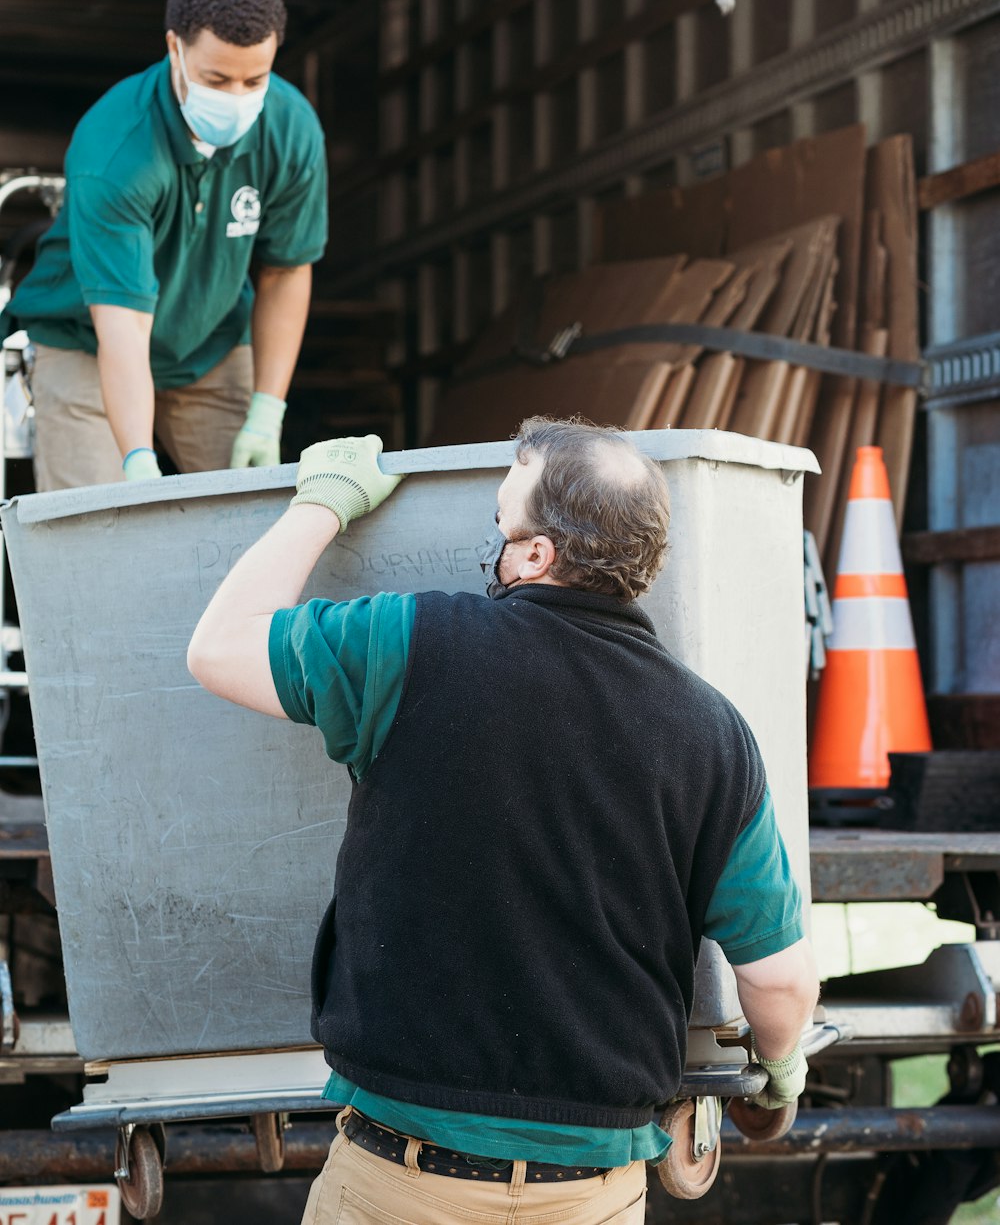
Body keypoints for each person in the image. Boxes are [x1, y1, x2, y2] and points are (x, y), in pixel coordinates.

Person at [187, 418, 819, 1225]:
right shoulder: (715, 735)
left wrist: (324, 504)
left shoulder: (406, 642)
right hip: (592, 1199)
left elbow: (218, 649)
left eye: (500, 522)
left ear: (534, 555)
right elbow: (779, 980)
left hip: (399, 1185)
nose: (493, 540)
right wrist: (781, 1067)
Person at [7, 0, 328, 491]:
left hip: (211, 343)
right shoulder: (115, 150)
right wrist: (137, 458)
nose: (236, 98)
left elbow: (285, 271)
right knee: (97, 529)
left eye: (255, 79)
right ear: (174, 47)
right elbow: (125, 329)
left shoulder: (291, 129)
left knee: (251, 522)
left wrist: (267, 411)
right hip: (88, 342)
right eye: (216, 78)